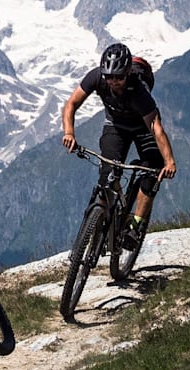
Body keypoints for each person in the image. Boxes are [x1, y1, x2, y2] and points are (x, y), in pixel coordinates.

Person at [61, 42, 177, 248]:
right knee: (107, 177)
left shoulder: (139, 92)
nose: (113, 81)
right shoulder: (96, 77)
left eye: (119, 77)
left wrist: (169, 162)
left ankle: (136, 226)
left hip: (143, 129)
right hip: (116, 126)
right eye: (109, 76)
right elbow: (71, 104)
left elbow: (156, 128)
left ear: (127, 73)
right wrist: (69, 132)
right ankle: (107, 218)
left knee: (151, 174)